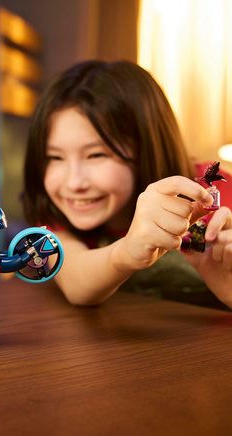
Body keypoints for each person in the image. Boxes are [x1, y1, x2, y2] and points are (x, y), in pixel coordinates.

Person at [23, 60, 232, 308]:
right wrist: (126, 252)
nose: (74, 182)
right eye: (54, 157)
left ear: (147, 149)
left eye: (96, 155)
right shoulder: (54, 212)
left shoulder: (211, 193)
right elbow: (76, 283)